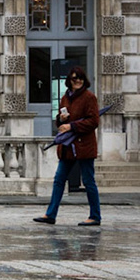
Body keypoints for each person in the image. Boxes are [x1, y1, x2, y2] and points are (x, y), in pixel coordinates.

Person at [33, 68, 100, 227]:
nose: (78, 81)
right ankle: (50, 215)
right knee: (59, 180)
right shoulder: (65, 98)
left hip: (84, 145)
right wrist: (61, 119)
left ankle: (95, 216)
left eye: (81, 79)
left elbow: (94, 121)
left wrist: (72, 126)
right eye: (75, 79)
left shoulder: (89, 97)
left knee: (89, 181)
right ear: (69, 80)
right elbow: (61, 124)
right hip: (68, 147)